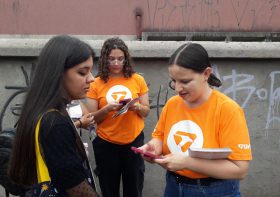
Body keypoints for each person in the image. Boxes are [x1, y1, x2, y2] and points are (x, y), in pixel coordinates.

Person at [139, 43, 252, 197]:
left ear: (206, 74)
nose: (178, 88)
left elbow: (240, 170)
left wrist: (187, 162)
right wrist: (153, 148)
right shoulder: (173, 104)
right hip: (174, 186)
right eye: (174, 81)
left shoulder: (227, 110)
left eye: (185, 81)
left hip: (214, 190)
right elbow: (159, 136)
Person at [8, 35, 98, 197]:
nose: (91, 79)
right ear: (58, 74)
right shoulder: (55, 123)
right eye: (82, 72)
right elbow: (75, 186)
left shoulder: (39, 112)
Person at [84, 37, 150, 197]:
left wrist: (137, 106)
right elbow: (91, 118)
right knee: (109, 189)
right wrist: (106, 109)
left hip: (133, 141)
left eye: (120, 59)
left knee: (134, 188)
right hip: (106, 143)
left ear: (126, 59)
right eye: (111, 59)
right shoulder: (96, 83)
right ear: (105, 59)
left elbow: (146, 111)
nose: (116, 63)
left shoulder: (137, 79)